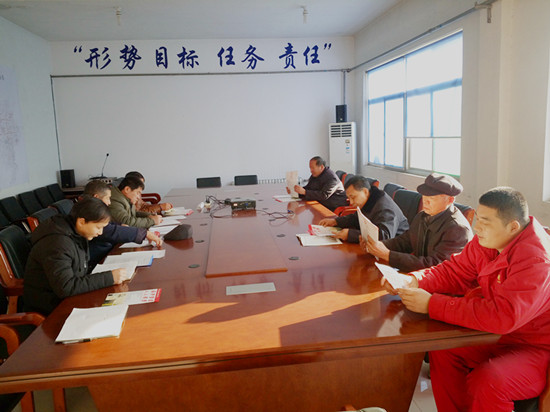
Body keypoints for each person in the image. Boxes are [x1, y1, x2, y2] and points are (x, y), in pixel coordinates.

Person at [384, 187, 550, 412]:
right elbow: (454, 271)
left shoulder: (536, 260)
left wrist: (432, 304)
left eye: (485, 222)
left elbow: (503, 315)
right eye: (477, 219)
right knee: (443, 349)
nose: (477, 227)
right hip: (499, 336)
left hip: (535, 347)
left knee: (490, 380)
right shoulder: (488, 242)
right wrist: (413, 280)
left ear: (513, 226)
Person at [24, 197, 127, 315]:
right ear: (81, 222)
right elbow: (66, 287)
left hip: (70, 300)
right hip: (51, 310)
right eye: (98, 227)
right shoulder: (57, 243)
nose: (100, 232)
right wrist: (109, 278)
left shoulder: (75, 233)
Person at [363, 173, 473, 272]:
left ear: (450, 200)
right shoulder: (423, 216)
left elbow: (435, 266)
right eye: (424, 198)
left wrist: (388, 255)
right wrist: (378, 245)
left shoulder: (458, 229)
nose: (425, 203)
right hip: (419, 276)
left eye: (432, 199)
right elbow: (405, 241)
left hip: (442, 283)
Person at [82, 180, 162, 269]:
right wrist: (144, 233)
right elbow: (107, 230)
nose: (109, 202)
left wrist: (120, 225)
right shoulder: (87, 212)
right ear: (96, 197)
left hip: (105, 252)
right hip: (95, 261)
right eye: (107, 198)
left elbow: (110, 223)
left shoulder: (93, 209)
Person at [319, 175, 408, 243]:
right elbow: (357, 218)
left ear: (365, 191)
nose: (351, 202)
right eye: (349, 198)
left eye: (353, 197)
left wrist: (350, 235)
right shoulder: (370, 199)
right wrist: (336, 221)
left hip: (396, 250)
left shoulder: (384, 208)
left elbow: (384, 236)